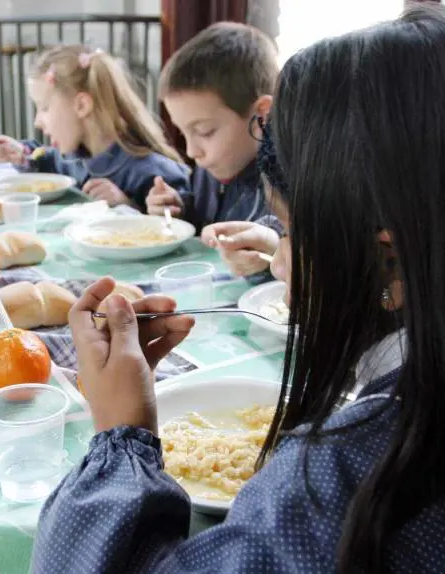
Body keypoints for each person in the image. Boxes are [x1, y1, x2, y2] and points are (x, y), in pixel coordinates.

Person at [32, 4, 445, 572]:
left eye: (294, 233)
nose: (280, 265)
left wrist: (119, 436)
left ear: (388, 255)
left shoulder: (350, 477)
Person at [0, 45, 189, 212]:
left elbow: (186, 223)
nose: (37, 121)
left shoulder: (151, 172)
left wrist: (126, 205)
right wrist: (22, 155)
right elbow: (46, 160)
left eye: (44, 107)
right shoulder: (72, 158)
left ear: (81, 106)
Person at [146, 23, 279, 235]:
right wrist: (178, 210)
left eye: (204, 131)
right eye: (183, 132)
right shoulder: (211, 168)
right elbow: (202, 220)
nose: (191, 151)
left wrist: (270, 245)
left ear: (262, 115)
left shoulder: (288, 189)